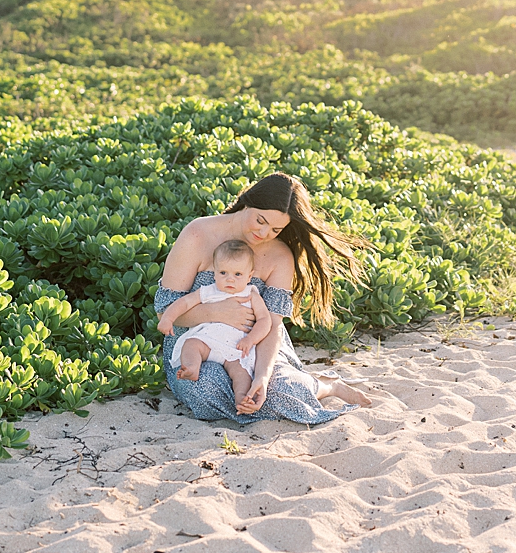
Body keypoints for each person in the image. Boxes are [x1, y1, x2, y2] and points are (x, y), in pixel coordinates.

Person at [153, 172, 372, 423]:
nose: (264, 232)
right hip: (196, 341)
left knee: (276, 394)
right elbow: (164, 310)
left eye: (276, 229)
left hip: (255, 346)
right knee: (206, 390)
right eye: (260, 220)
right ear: (248, 201)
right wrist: (216, 312)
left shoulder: (280, 256)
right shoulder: (198, 234)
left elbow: (273, 326)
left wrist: (262, 376)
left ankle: (326, 386)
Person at [157, 238, 272, 398]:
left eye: (238, 274)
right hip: (207, 342)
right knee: (191, 344)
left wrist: (251, 339)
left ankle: (242, 398)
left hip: (235, 347)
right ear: (215, 273)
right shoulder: (209, 291)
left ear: (249, 276)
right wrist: (168, 318)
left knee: (242, 373)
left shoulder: (250, 294)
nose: (230, 279)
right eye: (223, 273)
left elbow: (265, 321)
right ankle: (191, 368)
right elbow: (184, 302)